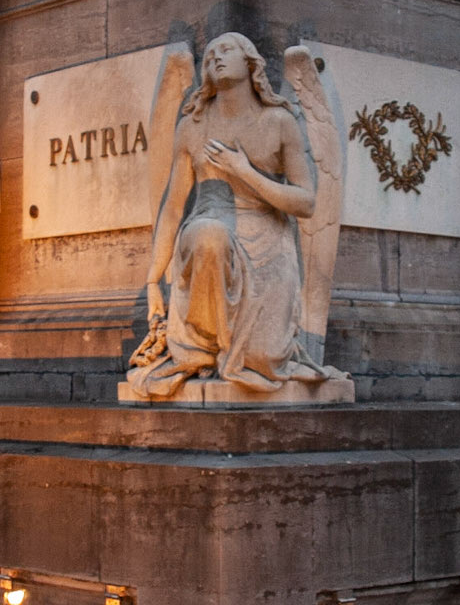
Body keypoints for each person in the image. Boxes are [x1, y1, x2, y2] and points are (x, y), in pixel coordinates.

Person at [127, 34, 336, 398]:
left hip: (269, 238)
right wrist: (152, 280)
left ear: (251, 62)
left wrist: (244, 171)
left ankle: (246, 347)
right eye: (209, 56)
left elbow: (306, 203)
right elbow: (174, 208)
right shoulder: (192, 125)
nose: (215, 59)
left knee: (261, 360)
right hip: (209, 223)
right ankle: (203, 346)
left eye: (226, 51)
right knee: (210, 234)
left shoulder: (279, 121)